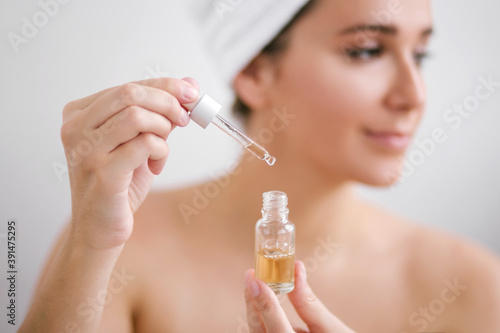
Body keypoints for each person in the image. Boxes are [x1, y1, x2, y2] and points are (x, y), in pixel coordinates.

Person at [19, 0, 500, 332]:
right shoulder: (118, 247)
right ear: (253, 71)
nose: (414, 96)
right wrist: (90, 243)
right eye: (367, 50)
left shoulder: (470, 284)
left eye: (421, 54)